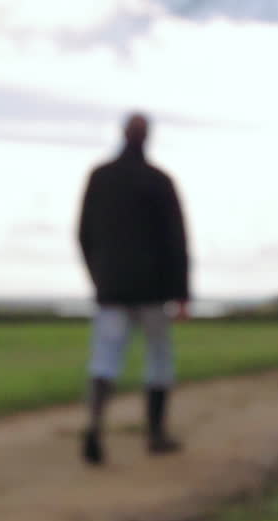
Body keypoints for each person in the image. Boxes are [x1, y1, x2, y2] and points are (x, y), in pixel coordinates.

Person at [76, 112, 190, 465]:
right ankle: (155, 435)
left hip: (111, 288)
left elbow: (84, 233)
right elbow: (176, 240)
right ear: (148, 137)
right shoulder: (159, 181)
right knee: (158, 358)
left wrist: (98, 277)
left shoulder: (100, 177)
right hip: (153, 290)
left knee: (105, 359)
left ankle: (95, 425)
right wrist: (182, 293)